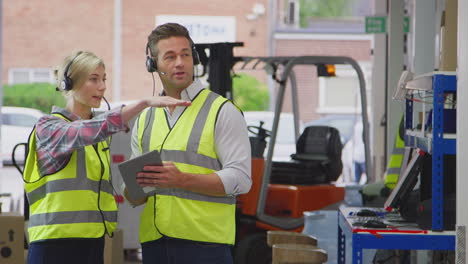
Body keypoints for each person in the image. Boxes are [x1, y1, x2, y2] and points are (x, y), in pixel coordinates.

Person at [22, 50, 191, 264]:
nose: (102, 87)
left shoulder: (100, 136)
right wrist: (142, 104)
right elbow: (86, 130)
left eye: (104, 79)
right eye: (93, 79)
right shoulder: (49, 127)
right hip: (54, 246)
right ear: (69, 83)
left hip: (93, 243)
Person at [125, 23, 252, 264]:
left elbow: (242, 179)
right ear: (153, 64)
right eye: (170, 57)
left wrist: (181, 179)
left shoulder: (222, 111)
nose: (180, 63)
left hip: (206, 244)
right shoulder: (145, 118)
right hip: (155, 244)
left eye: (185, 54)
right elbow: (135, 196)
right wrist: (133, 187)